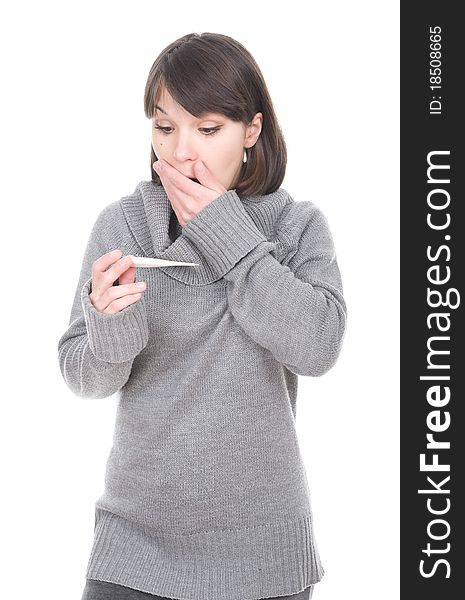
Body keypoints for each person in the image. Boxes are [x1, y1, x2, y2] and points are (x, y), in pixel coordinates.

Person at [57, 32, 347, 600]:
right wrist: (110, 329)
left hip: (264, 555)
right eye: (165, 128)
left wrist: (225, 231)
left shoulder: (295, 228)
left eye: (208, 129)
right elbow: (80, 374)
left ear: (251, 132)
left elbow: (319, 347)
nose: (180, 152)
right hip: (132, 550)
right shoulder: (123, 226)